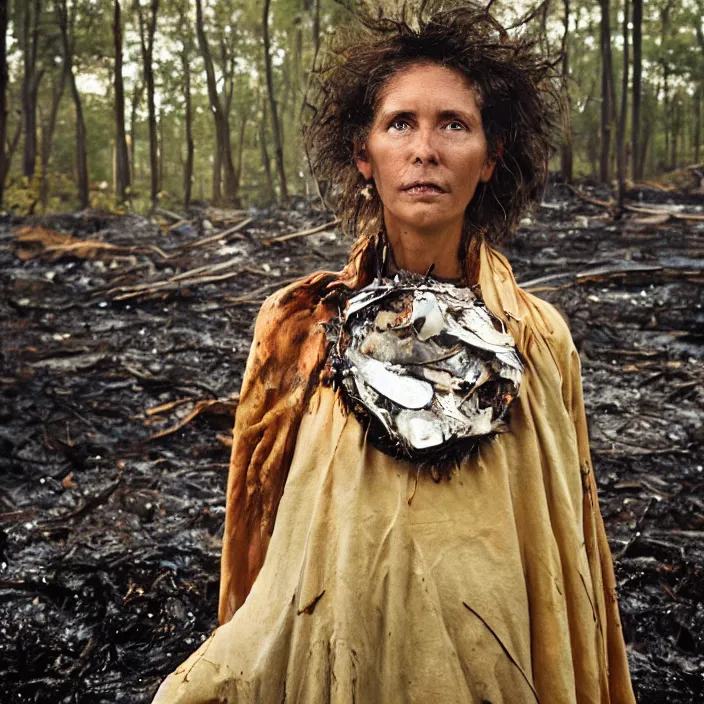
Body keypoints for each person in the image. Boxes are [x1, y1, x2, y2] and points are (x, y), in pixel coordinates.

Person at [153, 4, 636, 702]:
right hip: (338, 649)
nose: (425, 150)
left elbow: (569, 543)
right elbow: (257, 531)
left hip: (497, 663)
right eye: (400, 123)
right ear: (363, 153)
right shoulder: (298, 326)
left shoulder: (538, 337)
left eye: (454, 125)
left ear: (491, 157)